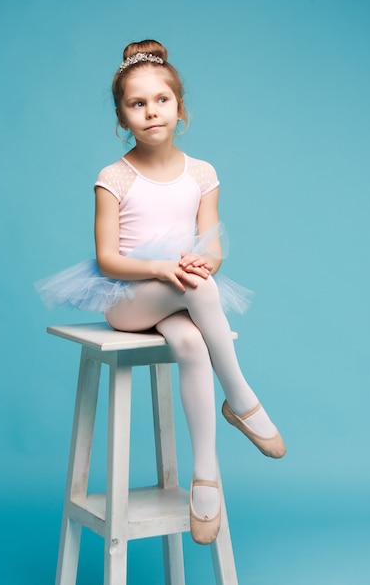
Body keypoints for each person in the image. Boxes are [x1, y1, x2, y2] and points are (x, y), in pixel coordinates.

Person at [36, 39, 286, 546]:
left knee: (194, 340)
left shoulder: (202, 174)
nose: (151, 111)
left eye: (161, 100)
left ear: (180, 108)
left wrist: (201, 262)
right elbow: (108, 257)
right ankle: (239, 397)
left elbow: (212, 244)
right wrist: (164, 266)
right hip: (128, 299)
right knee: (196, 286)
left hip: (182, 290)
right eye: (136, 104)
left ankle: (206, 476)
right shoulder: (114, 177)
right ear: (121, 117)